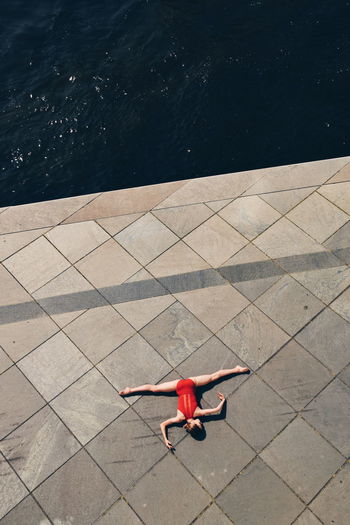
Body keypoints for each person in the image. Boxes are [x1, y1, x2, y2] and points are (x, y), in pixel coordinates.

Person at [119, 365, 249, 449]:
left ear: (195, 424)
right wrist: (165, 439)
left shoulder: (198, 413)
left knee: (213, 377)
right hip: (180, 385)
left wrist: (223, 400)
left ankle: (236, 369)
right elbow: (163, 424)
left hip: (192, 383)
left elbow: (217, 411)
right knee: (155, 388)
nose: (202, 423)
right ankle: (130, 390)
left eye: (200, 425)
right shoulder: (179, 418)